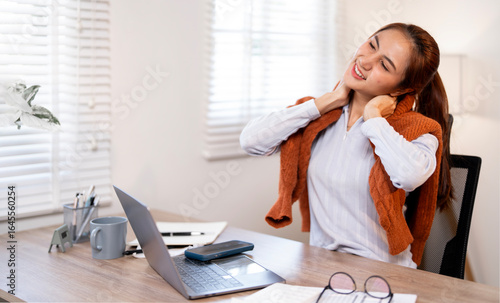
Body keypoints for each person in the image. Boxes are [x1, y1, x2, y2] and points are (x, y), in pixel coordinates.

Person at [239, 23, 452, 268]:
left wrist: (373, 116)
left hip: (383, 272)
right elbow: (251, 141)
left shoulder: (418, 131)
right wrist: (327, 100)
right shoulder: (319, 118)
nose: (366, 60)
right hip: (322, 265)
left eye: (384, 64)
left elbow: (408, 175)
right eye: (372, 44)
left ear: (404, 89)